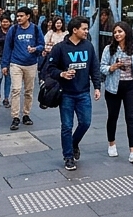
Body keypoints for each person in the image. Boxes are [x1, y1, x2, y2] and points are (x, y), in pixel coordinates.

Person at [43, 16, 103, 172]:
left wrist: (97, 87)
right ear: (74, 30)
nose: (86, 31)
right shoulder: (60, 48)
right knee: (67, 126)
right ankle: (68, 156)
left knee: (85, 122)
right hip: (66, 94)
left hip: (83, 92)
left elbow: (94, 68)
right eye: (84, 29)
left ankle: (74, 142)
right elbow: (50, 69)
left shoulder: (88, 46)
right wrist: (62, 74)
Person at [101, 22, 133, 164]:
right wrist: (112, 67)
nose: (117, 34)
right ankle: (111, 144)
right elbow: (102, 67)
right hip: (113, 88)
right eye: (115, 32)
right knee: (113, 117)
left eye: (120, 31)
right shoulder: (109, 49)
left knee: (131, 118)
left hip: (130, 87)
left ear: (126, 32)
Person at [4, 7, 45, 131]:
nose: (19, 18)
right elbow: (7, 47)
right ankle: (15, 117)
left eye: (21, 16)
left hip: (31, 64)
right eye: (17, 16)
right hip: (16, 63)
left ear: (28, 16)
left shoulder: (36, 29)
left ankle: (26, 114)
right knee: (16, 89)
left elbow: (42, 44)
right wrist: (4, 65)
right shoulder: (13, 29)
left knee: (28, 91)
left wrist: (35, 49)